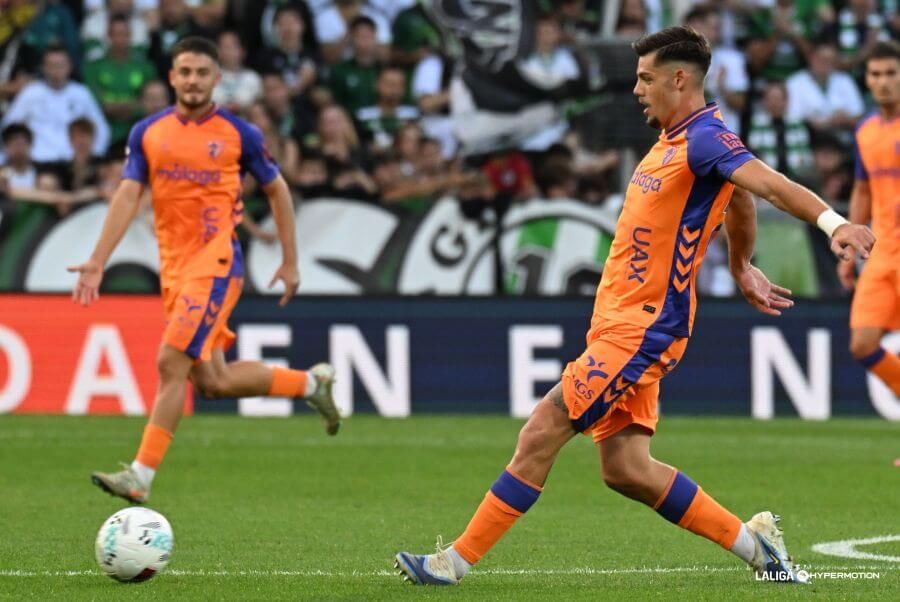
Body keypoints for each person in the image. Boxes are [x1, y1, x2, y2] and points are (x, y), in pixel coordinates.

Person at [395, 25, 875, 586]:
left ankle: (453, 563)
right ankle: (760, 549)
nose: (636, 89)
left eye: (646, 78)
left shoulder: (705, 138)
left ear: (679, 79)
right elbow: (739, 195)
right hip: (620, 325)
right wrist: (741, 265)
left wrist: (833, 223)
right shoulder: (675, 144)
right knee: (626, 470)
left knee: (543, 428)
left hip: (644, 328)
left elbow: (766, 184)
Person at [70, 37, 342, 505]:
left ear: (216, 77)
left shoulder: (240, 134)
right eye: (185, 72)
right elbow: (128, 195)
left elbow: (277, 191)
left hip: (216, 264)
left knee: (170, 361)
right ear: (172, 78)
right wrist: (98, 259)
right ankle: (311, 383)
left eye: (201, 72)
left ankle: (141, 475)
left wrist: (291, 260)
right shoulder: (147, 133)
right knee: (210, 382)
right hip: (173, 269)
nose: (193, 80)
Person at [837, 41, 900, 399]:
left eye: (891, 73)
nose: (884, 82)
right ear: (868, 80)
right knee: (862, 344)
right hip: (882, 253)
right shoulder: (866, 132)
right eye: (876, 74)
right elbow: (863, 190)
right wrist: (849, 243)